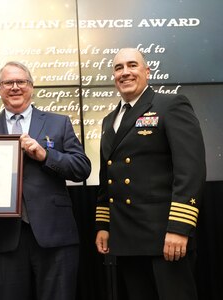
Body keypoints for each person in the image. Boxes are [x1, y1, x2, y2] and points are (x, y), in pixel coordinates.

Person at [0, 61, 91, 300]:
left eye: (21, 82)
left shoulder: (58, 123)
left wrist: (45, 155)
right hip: (1, 239)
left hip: (54, 235)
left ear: (31, 87)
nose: (15, 87)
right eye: (7, 83)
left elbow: (82, 168)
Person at [95, 48, 206, 300]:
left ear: (147, 71)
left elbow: (191, 169)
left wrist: (179, 227)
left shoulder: (170, 105)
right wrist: (104, 224)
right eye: (118, 68)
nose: (125, 72)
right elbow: (107, 177)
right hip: (126, 236)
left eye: (132, 65)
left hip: (164, 236)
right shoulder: (108, 120)